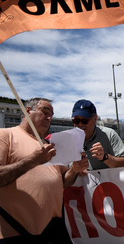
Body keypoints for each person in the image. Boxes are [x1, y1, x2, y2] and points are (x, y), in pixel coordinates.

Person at [0, 98, 88, 243]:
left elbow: (63, 181)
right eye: (45, 112)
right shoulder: (5, 135)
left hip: (54, 230)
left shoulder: (49, 144)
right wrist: (33, 160)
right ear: (27, 111)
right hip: (16, 231)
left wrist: (75, 169)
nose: (49, 118)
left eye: (51, 115)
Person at [72, 99, 124, 170]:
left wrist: (105, 157)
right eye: (76, 120)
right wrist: (73, 170)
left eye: (84, 120)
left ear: (95, 119)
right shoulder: (67, 140)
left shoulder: (109, 135)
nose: (80, 124)